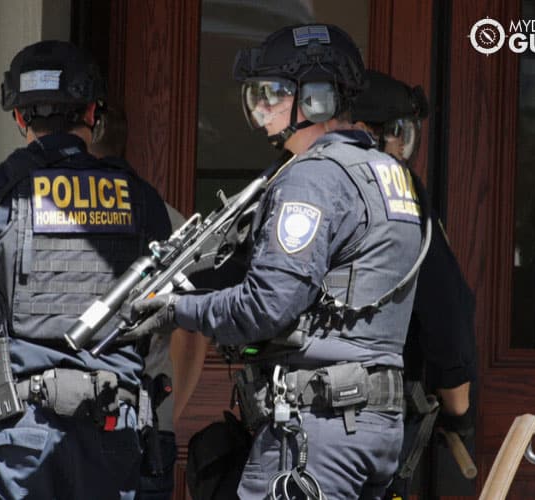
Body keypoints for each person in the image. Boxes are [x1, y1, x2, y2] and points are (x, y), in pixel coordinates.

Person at [128, 24, 430, 499]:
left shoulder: (311, 178)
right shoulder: (393, 176)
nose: (261, 109)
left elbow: (267, 306)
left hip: (318, 432)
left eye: (272, 93)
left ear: (318, 98)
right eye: (256, 95)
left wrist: (174, 309)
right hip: (376, 426)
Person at [0, 40, 172, 499]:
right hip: (114, 432)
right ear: (93, 112)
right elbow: (174, 313)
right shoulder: (141, 201)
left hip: (12, 438)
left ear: (18, 117)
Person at [352, 71, 477, 498]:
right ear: (366, 132)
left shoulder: (304, 184)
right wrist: (458, 410)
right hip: (376, 418)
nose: (403, 149)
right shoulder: (400, 196)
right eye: (398, 134)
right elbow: (446, 310)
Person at [89, 103, 210, 500]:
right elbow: (193, 333)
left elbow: (192, 332)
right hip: (142, 424)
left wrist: (167, 414)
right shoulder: (161, 215)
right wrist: (167, 417)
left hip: (72, 428)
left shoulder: (160, 218)